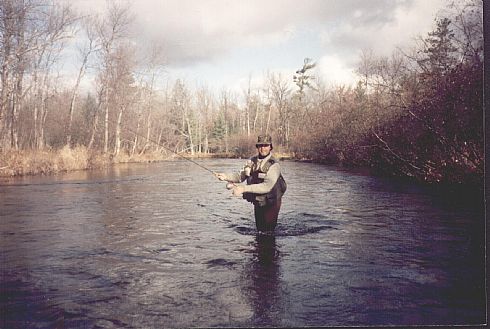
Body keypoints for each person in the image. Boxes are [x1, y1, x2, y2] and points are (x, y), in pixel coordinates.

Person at [215, 134, 286, 232]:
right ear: (257, 147)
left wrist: (243, 189)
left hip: (272, 201)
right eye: (260, 146)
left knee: (268, 231)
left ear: (270, 147)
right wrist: (225, 176)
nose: (263, 148)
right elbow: (240, 176)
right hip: (259, 200)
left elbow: (267, 187)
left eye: (266, 145)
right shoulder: (252, 161)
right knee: (260, 229)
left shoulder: (274, 165)